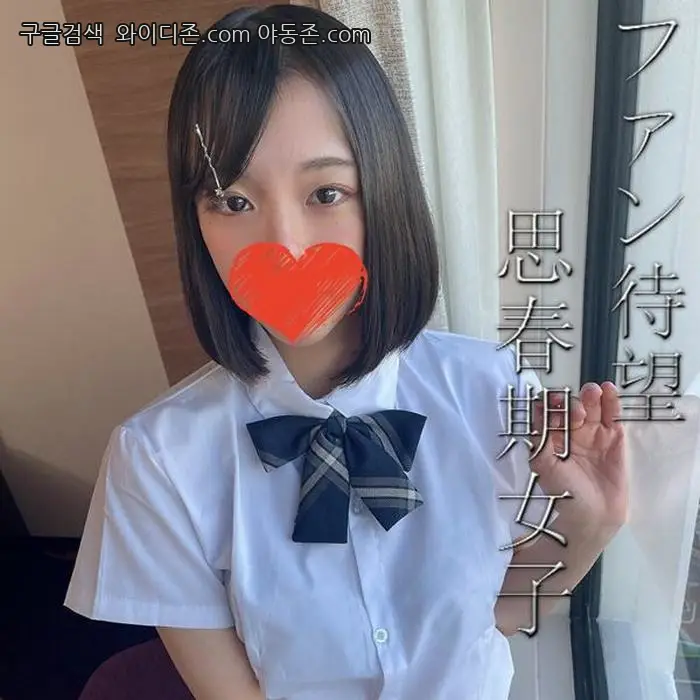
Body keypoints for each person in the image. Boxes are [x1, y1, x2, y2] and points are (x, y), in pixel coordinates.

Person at [64, 5, 627, 699]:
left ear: (384, 193)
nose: (286, 246)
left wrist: (588, 524)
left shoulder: (495, 388)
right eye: (233, 202)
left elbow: (498, 620)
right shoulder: (156, 459)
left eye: (325, 193)